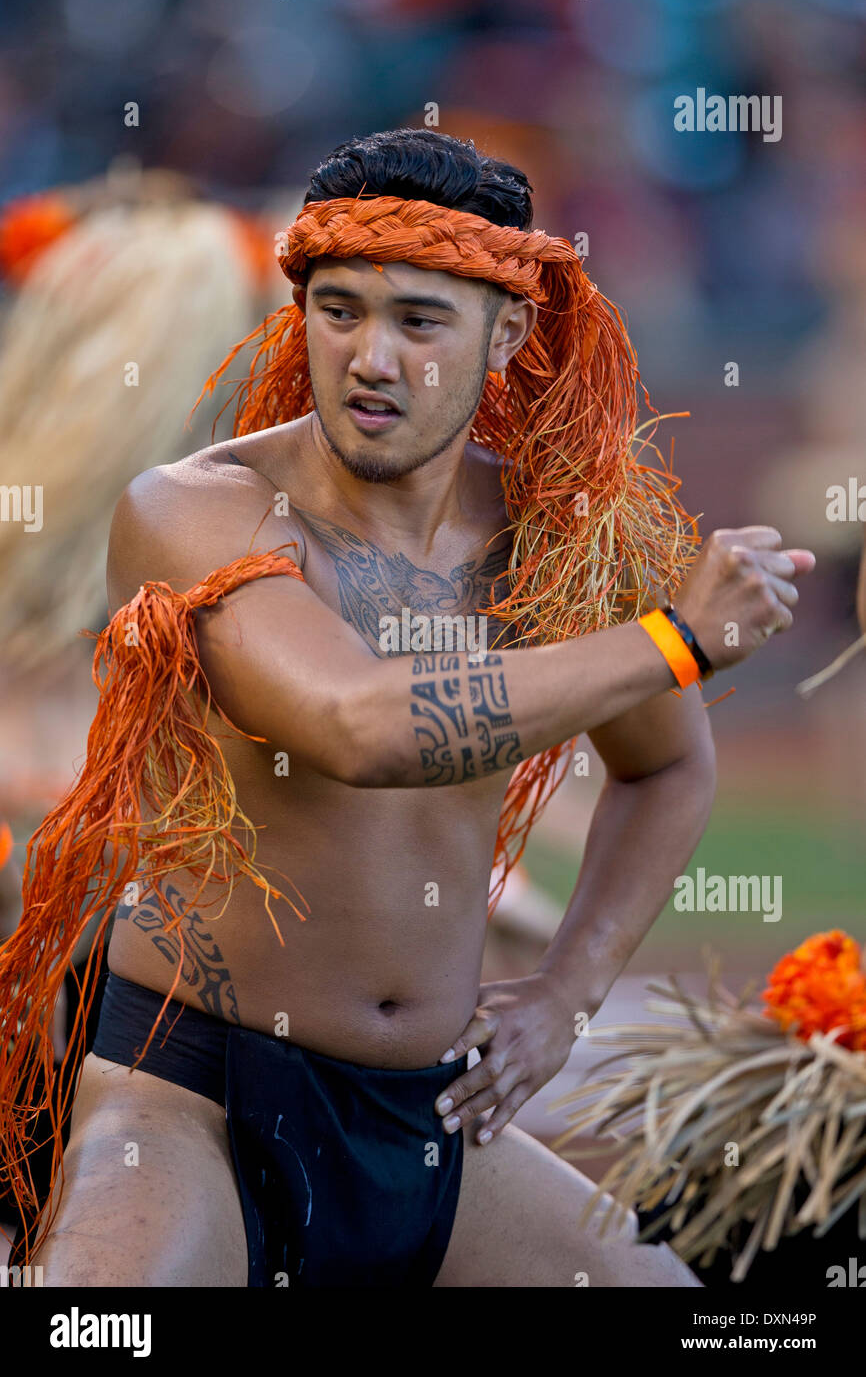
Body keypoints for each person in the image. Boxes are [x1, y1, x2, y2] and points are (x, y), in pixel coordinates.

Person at [1, 129, 815, 1288]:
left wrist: (563, 996)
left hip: (430, 1115)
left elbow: (663, 767)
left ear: (508, 335)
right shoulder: (195, 511)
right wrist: (672, 641)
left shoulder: (557, 541)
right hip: (192, 1097)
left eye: (418, 322)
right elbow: (358, 725)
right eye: (338, 310)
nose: (368, 357)